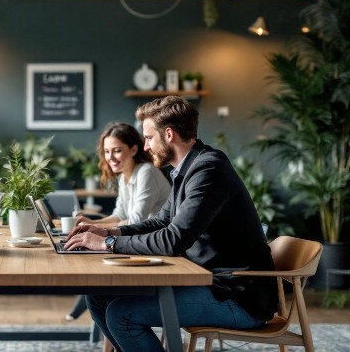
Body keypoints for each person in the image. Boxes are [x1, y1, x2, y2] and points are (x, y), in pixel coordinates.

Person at [65, 96, 278, 352]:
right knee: (98, 296)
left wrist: (108, 244)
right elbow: (160, 222)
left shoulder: (208, 169)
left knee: (122, 314)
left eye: (148, 137)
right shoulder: (185, 170)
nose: (145, 147)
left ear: (168, 134)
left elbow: (173, 239)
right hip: (210, 284)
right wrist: (108, 231)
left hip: (236, 297)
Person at [64, 122, 171, 352]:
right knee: (97, 292)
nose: (110, 157)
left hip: (157, 251)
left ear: (134, 149)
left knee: (105, 292)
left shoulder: (147, 172)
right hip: (136, 245)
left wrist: (97, 230)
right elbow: (120, 215)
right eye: (106, 151)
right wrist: (91, 224)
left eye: (116, 150)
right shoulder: (126, 175)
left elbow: (136, 220)